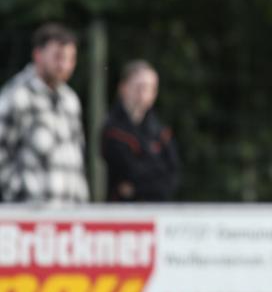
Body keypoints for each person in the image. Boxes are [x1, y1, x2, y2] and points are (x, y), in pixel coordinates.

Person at [0, 23, 89, 203]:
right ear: (38, 55)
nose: (64, 65)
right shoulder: (17, 96)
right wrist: (17, 194)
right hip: (30, 217)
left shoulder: (70, 100)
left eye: (71, 59)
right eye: (58, 57)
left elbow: (77, 158)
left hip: (69, 213)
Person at [101, 60, 180, 201]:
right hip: (121, 214)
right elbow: (126, 170)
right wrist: (155, 173)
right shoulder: (112, 130)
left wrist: (136, 187)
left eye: (150, 88)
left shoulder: (161, 132)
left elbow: (172, 177)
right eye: (139, 87)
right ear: (123, 88)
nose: (144, 94)